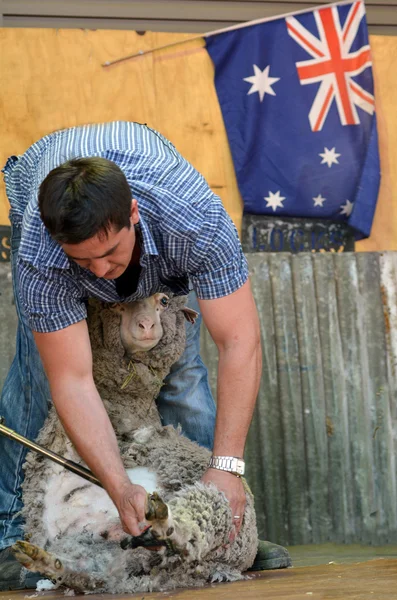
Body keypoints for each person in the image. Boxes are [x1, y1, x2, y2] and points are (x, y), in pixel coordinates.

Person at [0, 121, 291, 590]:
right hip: (50, 206)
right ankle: (9, 534)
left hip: (162, 247)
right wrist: (118, 486)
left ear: (133, 213)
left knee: (183, 375)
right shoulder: (42, 249)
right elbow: (72, 379)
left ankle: (217, 519)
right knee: (36, 380)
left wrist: (228, 467)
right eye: (83, 261)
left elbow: (239, 342)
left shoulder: (193, 218)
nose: (98, 271)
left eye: (109, 254)